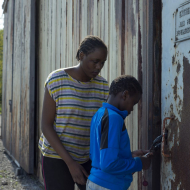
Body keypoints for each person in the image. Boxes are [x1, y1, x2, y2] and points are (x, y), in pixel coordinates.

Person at [38, 35, 109, 190]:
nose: (98, 67)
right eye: (95, 61)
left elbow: (103, 127)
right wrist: (70, 163)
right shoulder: (57, 80)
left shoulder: (103, 86)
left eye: (102, 63)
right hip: (56, 157)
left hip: (88, 157)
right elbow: (46, 125)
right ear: (82, 56)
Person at [87, 75, 152, 190]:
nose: (132, 109)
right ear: (125, 95)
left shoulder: (100, 114)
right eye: (133, 103)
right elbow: (108, 164)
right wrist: (139, 163)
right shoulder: (114, 118)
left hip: (98, 182)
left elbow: (98, 155)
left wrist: (129, 156)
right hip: (108, 185)